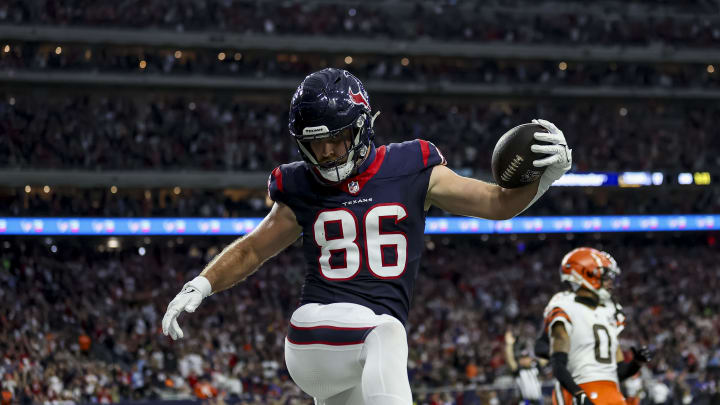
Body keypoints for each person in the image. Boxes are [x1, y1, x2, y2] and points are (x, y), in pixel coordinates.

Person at [161, 68, 572, 405]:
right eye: (315, 144)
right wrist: (202, 283)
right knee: (387, 333)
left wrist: (542, 181)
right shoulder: (299, 185)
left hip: (356, 358)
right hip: (315, 333)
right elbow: (252, 249)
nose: (324, 154)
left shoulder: (412, 165)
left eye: (334, 140)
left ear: (359, 128)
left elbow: (495, 203)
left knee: (383, 336)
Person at [542, 248, 652, 405]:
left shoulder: (608, 311)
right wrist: (578, 394)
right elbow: (558, 364)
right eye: (606, 277)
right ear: (586, 274)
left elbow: (618, 371)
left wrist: (636, 363)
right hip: (583, 387)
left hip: (612, 391)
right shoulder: (565, 306)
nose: (610, 283)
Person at [504, 330, 546, 405]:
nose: (525, 360)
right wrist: (509, 345)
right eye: (522, 358)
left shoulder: (535, 366)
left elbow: (545, 359)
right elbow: (510, 360)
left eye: (526, 357)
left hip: (538, 401)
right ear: (519, 360)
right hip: (526, 402)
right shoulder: (519, 370)